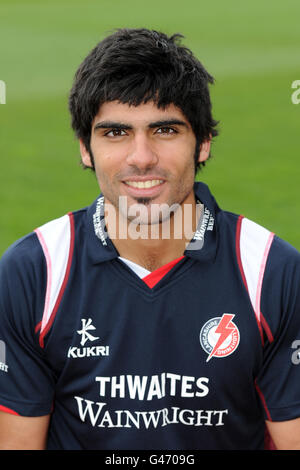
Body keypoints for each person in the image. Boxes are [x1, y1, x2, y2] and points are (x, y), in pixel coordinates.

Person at [0, 28, 300, 451]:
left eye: (165, 130)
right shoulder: (34, 273)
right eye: (116, 133)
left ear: (203, 143)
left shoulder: (273, 273)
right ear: (85, 148)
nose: (141, 157)